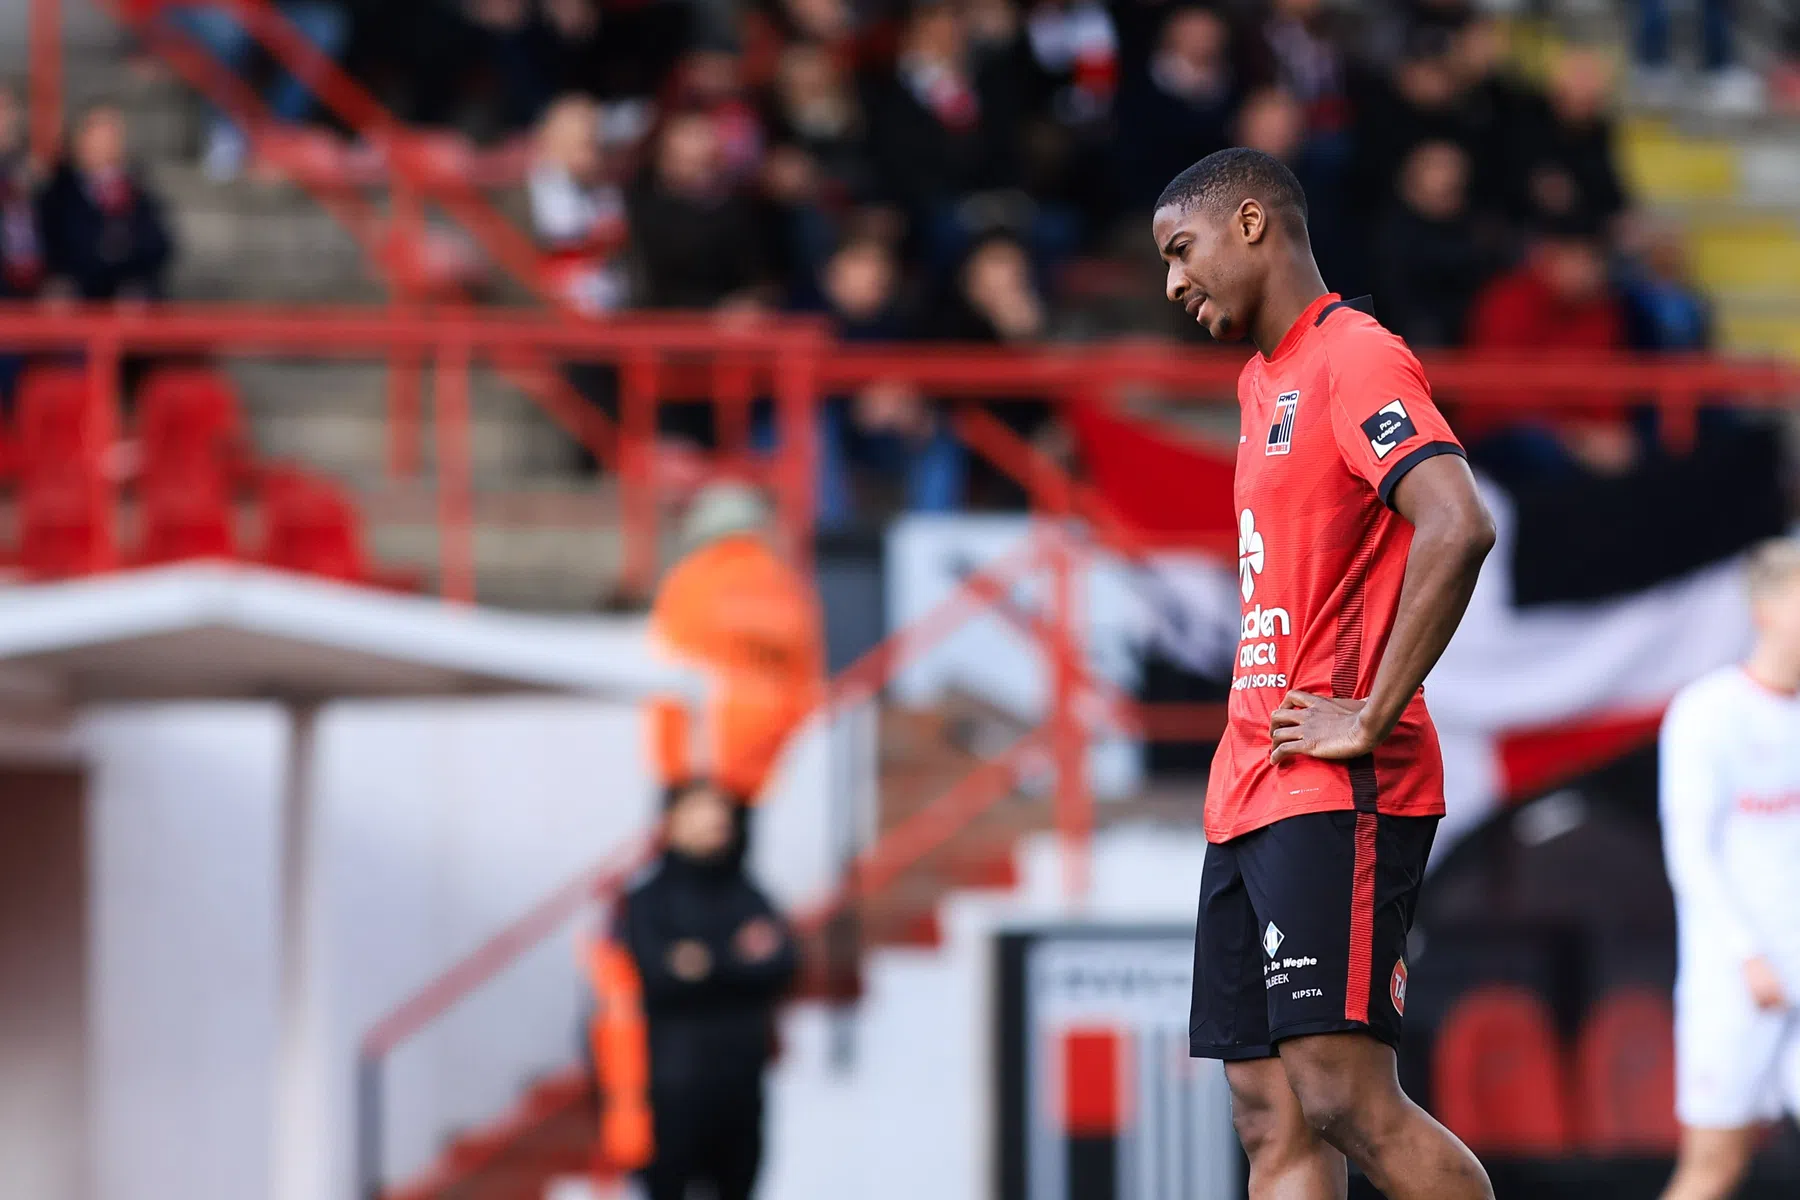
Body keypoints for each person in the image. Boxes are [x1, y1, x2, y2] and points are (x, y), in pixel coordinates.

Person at [1152, 147, 1496, 1200]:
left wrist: (1371, 712)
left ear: (1251, 222)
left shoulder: (1355, 356)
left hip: (1335, 782)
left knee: (1345, 1095)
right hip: (1249, 785)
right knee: (1269, 1118)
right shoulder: (1264, 381)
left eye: (1182, 250)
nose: (1172, 284)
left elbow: (1457, 523)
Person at [1658, 538, 1800, 1200]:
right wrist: (1749, 956)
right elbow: (1691, 852)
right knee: (1714, 1165)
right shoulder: (1708, 711)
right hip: (1735, 983)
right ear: (1767, 608)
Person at [588, 779, 799, 1200]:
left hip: (740, 1085)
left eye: (721, 812)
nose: (715, 821)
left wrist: (704, 962)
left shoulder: (749, 894)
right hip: (671, 1087)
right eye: (701, 811)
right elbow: (660, 976)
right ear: (670, 823)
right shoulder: (647, 901)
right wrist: (737, 961)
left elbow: (782, 965)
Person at [646, 482, 825, 811]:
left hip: (696, 763)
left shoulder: (690, 581)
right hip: (760, 759)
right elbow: (805, 684)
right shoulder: (788, 588)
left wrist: (675, 767)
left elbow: (669, 676)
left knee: (686, 858)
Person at [161, 1, 350, 180]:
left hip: (261, 9)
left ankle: (276, 135)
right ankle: (226, 131)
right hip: (194, 8)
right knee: (227, 30)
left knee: (323, 26)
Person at [37, 104, 175, 302]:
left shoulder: (139, 190)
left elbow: (159, 243)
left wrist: (124, 254)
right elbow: (50, 242)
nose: (101, 142)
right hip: (77, 284)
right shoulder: (57, 190)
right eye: (94, 132)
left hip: (127, 285)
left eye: (109, 134)